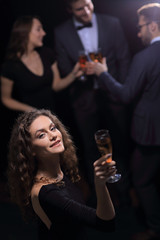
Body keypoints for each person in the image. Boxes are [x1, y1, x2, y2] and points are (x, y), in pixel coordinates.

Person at [92, 3, 160, 240]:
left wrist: (102, 72)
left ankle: (154, 229)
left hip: (151, 132)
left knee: (141, 180)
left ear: (152, 25)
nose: (139, 33)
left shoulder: (145, 56)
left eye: (141, 27)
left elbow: (125, 94)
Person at [54, 0, 131, 205]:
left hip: (113, 97)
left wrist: (120, 91)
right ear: (69, 9)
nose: (87, 11)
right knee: (89, 148)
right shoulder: (61, 32)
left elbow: (123, 58)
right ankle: (100, 195)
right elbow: (63, 68)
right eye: (80, 8)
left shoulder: (112, 23)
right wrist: (80, 75)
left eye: (89, 5)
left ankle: (126, 191)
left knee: (119, 144)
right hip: (83, 98)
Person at [7, 108, 116, 240]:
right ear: (31, 150)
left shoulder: (59, 171)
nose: (53, 135)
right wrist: (100, 184)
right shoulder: (47, 193)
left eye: (52, 128)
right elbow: (105, 224)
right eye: (42, 135)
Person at [0, 15, 82, 113]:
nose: (44, 33)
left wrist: (73, 74)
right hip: (29, 119)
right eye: (38, 29)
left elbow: (56, 86)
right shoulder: (10, 65)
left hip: (52, 114)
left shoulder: (47, 54)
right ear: (24, 32)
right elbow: (6, 99)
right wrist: (32, 111)